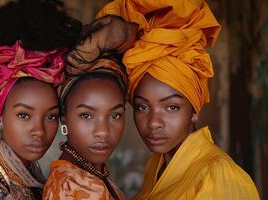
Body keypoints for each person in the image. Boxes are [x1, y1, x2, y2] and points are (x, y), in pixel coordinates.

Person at [98, 0, 261, 199]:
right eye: (142, 106)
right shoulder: (157, 166)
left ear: (194, 111)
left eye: (172, 107)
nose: (154, 123)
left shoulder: (216, 175)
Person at [0, 0, 81, 199]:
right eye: (24, 115)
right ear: (0, 116)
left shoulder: (31, 181)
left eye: (51, 116)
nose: (39, 131)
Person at [43, 15, 138, 200]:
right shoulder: (75, 186)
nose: (103, 132)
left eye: (115, 115)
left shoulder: (90, 176)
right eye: (86, 115)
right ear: (65, 120)